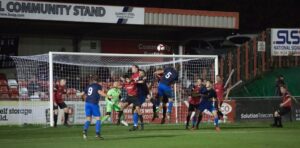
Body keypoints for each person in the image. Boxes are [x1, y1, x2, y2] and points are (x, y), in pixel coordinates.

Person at [82, 75, 107, 140]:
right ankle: (97, 134)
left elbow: (83, 94)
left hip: (87, 103)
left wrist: (83, 99)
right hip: (94, 104)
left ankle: (84, 131)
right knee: (98, 119)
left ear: (92, 80)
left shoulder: (89, 86)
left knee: (88, 119)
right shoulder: (98, 86)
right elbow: (100, 92)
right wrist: (108, 96)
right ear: (98, 81)